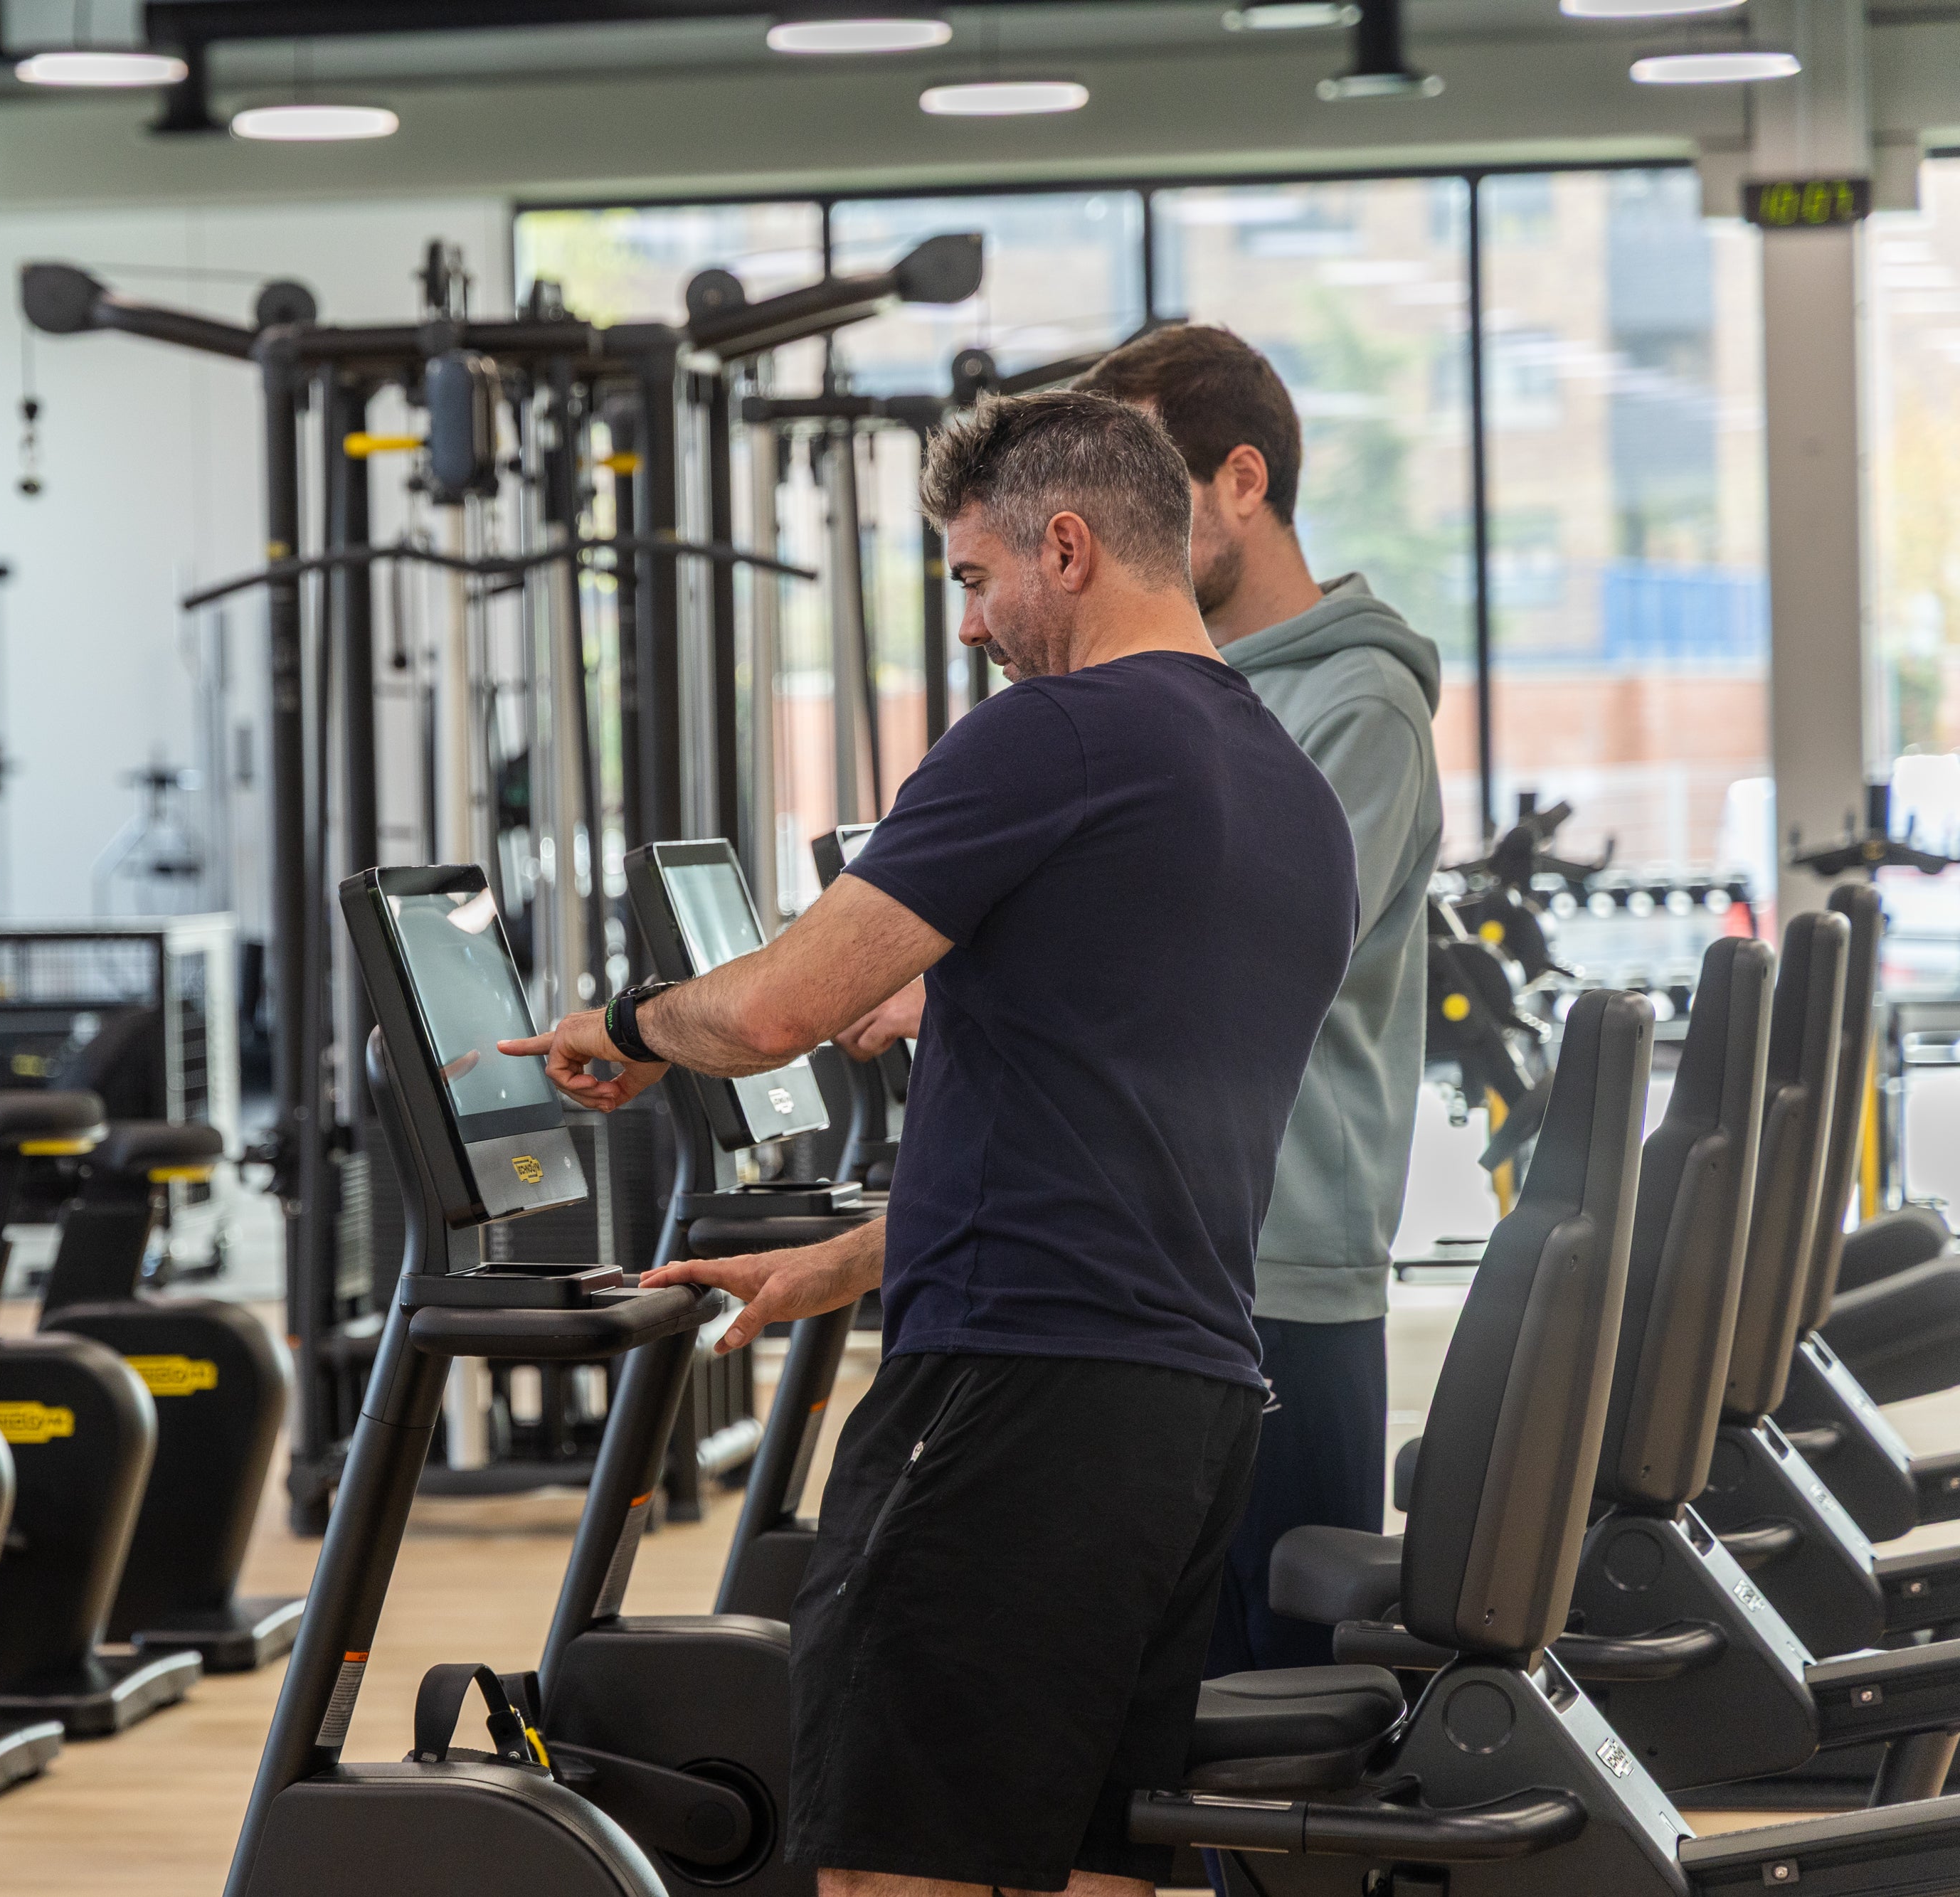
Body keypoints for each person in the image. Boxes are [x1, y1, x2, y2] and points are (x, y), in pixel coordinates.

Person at [499, 389, 1356, 1897]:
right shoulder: (1283, 790)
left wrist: (621, 1027)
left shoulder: (1052, 734)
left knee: (894, 1867)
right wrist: (838, 1262)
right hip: (1185, 1409)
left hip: (1009, 1402)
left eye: (974, 577)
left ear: (1066, 546)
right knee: (1084, 1867)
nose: (972, 625)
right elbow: (1117, 1140)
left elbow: (772, 1010)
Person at [1078, 323, 1445, 1677]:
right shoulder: (1184, 695)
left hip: (1288, 1266)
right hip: (1175, 1257)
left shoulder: (1360, 699)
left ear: (1244, 479)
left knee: (1285, 1723)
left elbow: (1269, 949)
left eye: (1154, 494)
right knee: (1188, 1697)